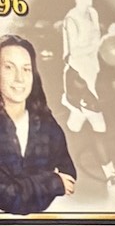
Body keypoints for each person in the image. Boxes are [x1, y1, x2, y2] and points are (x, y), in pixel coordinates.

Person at [57, 0, 115, 196]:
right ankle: (112, 177)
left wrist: (108, 36)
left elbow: (99, 50)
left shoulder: (94, 14)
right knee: (99, 125)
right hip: (77, 79)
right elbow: (73, 53)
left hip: (92, 77)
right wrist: (105, 39)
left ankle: (45, 156)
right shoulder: (71, 20)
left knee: (75, 125)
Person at [0, 30, 75, 215]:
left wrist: (23, 185)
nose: (20, 78)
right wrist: (52, 182)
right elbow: (8, 197)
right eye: (9, 67)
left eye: (26, 69)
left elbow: (69, 175)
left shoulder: (46, 124)